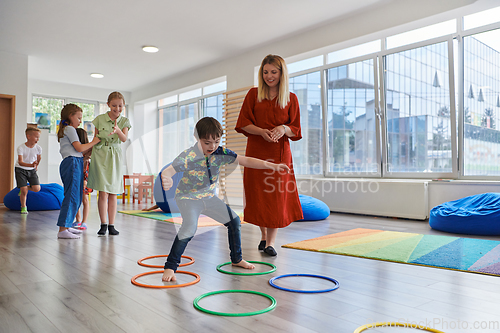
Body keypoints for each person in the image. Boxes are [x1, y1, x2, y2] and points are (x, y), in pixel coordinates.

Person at [161, 117, 290, 282]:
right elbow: (169, 170)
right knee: (189, 228)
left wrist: (273, 165)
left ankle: (236, 259)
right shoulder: (189, 155)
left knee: (234, 221)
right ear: (197, 138)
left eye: (216, 141)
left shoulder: (220, 153)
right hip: (188, 198)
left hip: (208, 197)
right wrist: (167, 178)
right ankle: (170, 267)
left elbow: (245, 160)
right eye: (207, 142)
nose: (212, 146)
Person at [235, 54, 303, 256]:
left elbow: (296, 130)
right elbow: (243, 123)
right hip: (256, 151)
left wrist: (283, 128)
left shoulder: (291, 98)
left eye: (274, 72)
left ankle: (271, 242)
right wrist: (261, 131)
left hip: (280, 154)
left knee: (275, 196)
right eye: (265, 72)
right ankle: (263, 236)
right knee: (258, 194)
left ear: (282, 73)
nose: (269, 76)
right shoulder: (253, 94)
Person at [87, 91, 131, 236]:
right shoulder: (99, 119)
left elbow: (124, 139)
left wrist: (118, 130)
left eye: (120, 106)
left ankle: (112, 225)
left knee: (113, 192)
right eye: (114, 106)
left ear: (123, 106)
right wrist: (87, 154)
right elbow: (95, 138)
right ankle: (103, 224)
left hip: (115, 156)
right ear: (108, 105)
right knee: (103, 192)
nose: (117, 109)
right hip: (100, 155)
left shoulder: (124, 121)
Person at [56, 104, 100, 239]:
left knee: (76, 197)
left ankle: (67, 226)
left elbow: (79, 151)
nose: (80, 121)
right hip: (72, 164)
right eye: (79, 118)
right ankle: (63, 229)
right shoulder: (70, 129)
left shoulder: (67, 129)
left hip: (75, 162)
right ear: (71, 116)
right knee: (72, 197)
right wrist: (94, 141)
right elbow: (79, 147)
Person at [15, 127, 42, 214]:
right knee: (23, 191)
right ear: (28, 136)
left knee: (37, 188)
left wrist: (36, 165)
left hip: (31, 170)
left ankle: (24, 187)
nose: (38, 139)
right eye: (36, 137)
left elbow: (38, 158)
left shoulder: (38, 148)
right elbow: (20, 162)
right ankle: (23, 207)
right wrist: (31, 165)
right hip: (20, 169)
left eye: (38, 137)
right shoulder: (21, 148)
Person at [73, 127, 93, 230]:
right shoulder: (75, 148)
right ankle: (78, 220)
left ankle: (84, 222)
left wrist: (85, 179)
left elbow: (87, 162)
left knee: (84, 199)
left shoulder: (87, 149)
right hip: (78, 172)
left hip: (85, 173)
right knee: (76, 198)